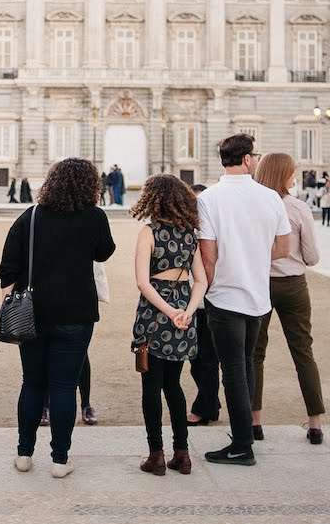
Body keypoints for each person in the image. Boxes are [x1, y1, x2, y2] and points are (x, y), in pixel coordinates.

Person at [0, 158, 115, 478]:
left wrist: (15, 293)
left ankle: (24, 453)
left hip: (33, 314)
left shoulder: (31, 216)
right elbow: (104, 252)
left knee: (32, 383)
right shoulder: (95, 217)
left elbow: (6, 268)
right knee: (64, 387)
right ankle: (60, 460)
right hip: (76, 314)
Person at [196, 134, 291, 467]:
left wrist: (205, 289)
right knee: (247, 364)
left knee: (233, 371)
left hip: (224, 295)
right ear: (248, 159)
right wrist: (253, 254)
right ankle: (248, 431)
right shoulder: (270, 197)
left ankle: (241, 446)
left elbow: (208, 254)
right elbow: (283, 249)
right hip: (258, 297)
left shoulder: (209, 198)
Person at [130, 174, 209, 476]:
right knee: (174, 386)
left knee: (151, 386)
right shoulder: (190, 234)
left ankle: (156, 455)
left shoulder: (148, 233)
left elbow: (142, 282)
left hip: (154, 314)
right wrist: (186, 311)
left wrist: (167, 309)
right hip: (184, 313)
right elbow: (200, 279)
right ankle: (183, 453)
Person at [251, 153, 326, 445]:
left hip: (260, 284)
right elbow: (313, 257)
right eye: (292, 173)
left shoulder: (254, 207)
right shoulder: (297, 208)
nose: (295, 177)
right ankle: (315, 423)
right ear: (285, 175)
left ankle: (255, 422)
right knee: (303, 353)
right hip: (294, 286)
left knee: (256, 353)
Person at [185, 183, 221, 429]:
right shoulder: (187, 231)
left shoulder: (212, 232)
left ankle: (204, 408)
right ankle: (211, 403)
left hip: (209, 300)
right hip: (190, 302)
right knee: (196, 359)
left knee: (206, 358)